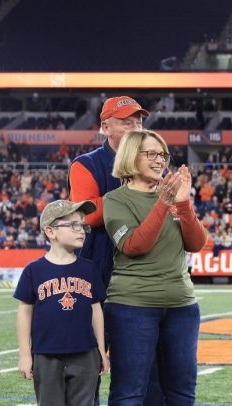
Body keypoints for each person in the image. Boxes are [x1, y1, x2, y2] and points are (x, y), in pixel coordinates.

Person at [67, 96, 164, 406]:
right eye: (126, 122)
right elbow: (87, 214)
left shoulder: (154, 160)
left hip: (143, 279)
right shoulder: (86, 164)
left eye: (139, 121)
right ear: (105, 127)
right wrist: (133, 193)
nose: (136, 127)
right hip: (98, 276)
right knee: (88, 366)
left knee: (144, 372)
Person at [103, 129, 208, 405]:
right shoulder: (115, 200)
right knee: (130, 393)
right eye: (151, 153)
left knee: (182, 392)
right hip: (132, 306)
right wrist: (164, 203)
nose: (160, 159)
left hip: (182, 306)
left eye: (163, 154)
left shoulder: (174, 197)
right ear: (130, 156)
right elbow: (135, 246)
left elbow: (196, 243)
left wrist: (183, 204)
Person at [14, 200, 108, 405]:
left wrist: (101, 350)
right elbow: (24, 311)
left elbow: (96, 311)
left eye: (83, 225)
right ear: (51, 231)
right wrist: (24, 354)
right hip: (46, 355)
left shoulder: (89, 269)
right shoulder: (34, 270)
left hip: (85, 354)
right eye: (73, 225)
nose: (81, 230)